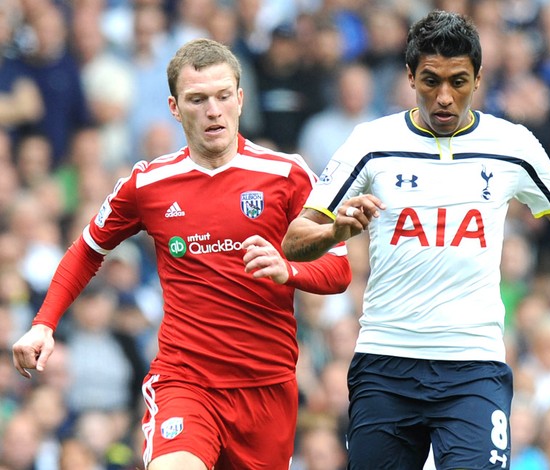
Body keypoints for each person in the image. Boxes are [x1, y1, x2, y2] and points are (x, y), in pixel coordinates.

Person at [281, 10, 550, 470]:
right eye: (430, 81)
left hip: (472, 368)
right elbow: (295, 240)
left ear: (479, 78)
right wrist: (335, 231)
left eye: (459, 81)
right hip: (385, 363)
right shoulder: (371, 143)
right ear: (409, 76)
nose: (444, 97)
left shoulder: (511, 145)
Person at [12, 37, 352, 470]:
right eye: (198, 99)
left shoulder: (287, 174)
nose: (213, 110)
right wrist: (44, 323)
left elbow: (339, 270)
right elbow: (87, 249)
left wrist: (288, 271)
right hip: (186, 382)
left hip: (266, 391)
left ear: (240, 98)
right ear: (174, 107)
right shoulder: (148, 183)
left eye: (223, 96)